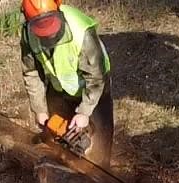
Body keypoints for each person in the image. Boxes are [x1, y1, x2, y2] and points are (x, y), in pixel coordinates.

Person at [20, 0, 114, 165]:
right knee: (58, 138)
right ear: (30, 22)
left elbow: (96, 78)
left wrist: (84, 112)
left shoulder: (81, 32)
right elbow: (31, 72)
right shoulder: (28, 34)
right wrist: (39, 110)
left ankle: (100, 180)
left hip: (94, 90)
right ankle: (66, 174)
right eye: (41, 28)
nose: (48, 34)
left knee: (99, 150)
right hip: (58, 88)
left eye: (50, 25)